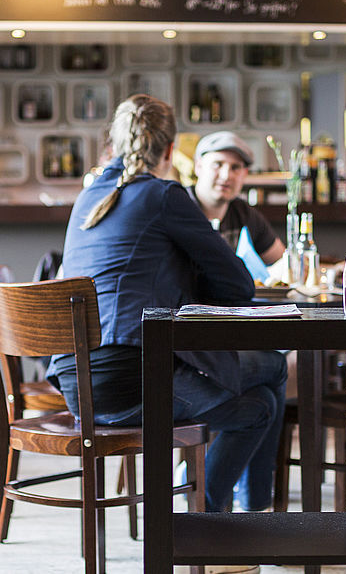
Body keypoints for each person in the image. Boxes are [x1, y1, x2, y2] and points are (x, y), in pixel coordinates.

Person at [49, 95, 286, 522]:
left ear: (116, 144)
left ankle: (235, 510)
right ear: (173, 151)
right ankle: (215, 519)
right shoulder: (163, 195)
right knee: (271, 375)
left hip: (76, 381)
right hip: (130, 379)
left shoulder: (89, 197)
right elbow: (237, 284)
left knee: (260, 399)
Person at [190, 131, 286, 264]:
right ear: (198, 166)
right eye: (218, 164)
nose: (226, 176)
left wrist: (295, 264)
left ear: (245, 174)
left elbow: (283, 263)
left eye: (235, 167)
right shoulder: (177, 206)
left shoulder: (245, 214)